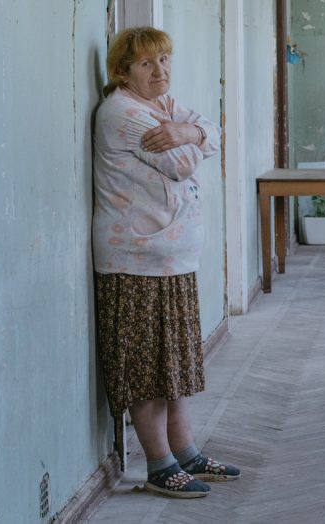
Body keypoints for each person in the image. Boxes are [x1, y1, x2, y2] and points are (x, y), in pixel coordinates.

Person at [93, 27, 240, 498]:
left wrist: (190, 131)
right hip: (136, 259)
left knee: (171, 367)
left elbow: (213, 133)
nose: (161, 71)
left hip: (170, 257)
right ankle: (159, 465)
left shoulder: (164, 107)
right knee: (147, 369)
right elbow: (183, 164)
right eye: (147, 64)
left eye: (165, 60)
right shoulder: (122, 113)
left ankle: (186, 453)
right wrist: (192, 138)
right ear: (123, 72)